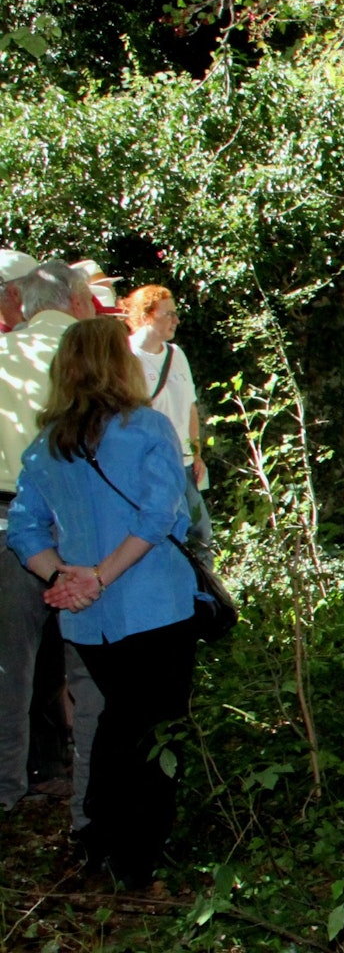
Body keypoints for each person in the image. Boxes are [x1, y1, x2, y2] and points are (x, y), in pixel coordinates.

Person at [7, 316, 198, 890]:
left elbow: (24, 530)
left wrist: (65, 576)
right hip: (153, 607)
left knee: (117, 723)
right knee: (154, 731)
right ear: (120, 365)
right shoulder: (147, 430)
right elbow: (160, 516)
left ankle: (100, 840)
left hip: (89, 621)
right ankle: (137, 859)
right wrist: (93, 575)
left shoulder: (45, 446)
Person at [0, 259, 101, 822]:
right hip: (87, 527)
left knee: (8, 667)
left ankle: (5, 791)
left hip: (8, 520)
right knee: (90, 668)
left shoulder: (3, 358)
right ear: (78, 300)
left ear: (19, 304)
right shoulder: (99, 358)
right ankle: (91, 800)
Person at [124, 285, 211, 550]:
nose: (176, 320)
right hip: (151, 464)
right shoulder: (126, 357)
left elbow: (190, 407)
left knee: (201, 536)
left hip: (184, 462)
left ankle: (201, 592)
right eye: (168, 314)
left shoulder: (177, 355)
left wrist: (196, 453)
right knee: (169, 537)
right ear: (146, 316)